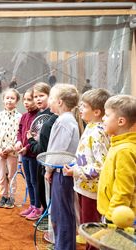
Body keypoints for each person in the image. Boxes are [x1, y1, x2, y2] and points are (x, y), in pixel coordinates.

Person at [63, 88, 111, 250]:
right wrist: (75, 167)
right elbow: (86, 157)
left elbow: (100, 166)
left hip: (92, 191)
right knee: (86, 227)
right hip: (84, 187)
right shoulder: (90, 126)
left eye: (84, 106)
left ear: (97, 111)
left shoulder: (98, 133)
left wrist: (75, 171)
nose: (80, 109)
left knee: (93, 231)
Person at [44, 83, 82, 250]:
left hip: (62, 174)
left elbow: (57, 152)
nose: (49, 101)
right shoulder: (65, 120)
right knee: (61, 214)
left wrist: (49, 169)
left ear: (59, 102)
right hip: (62, 173)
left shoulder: (65, 121)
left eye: (51, 98)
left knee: (62, 215)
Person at [97, 95, 136, 224]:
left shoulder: (125, 151)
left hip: (119, 218)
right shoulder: (118, 144)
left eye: (107, 115)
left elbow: (123, 191)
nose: (103, 118)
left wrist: (111, 218)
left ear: (121, 121)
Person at [25, 82, 53, 216]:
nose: (38, 99)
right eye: (35, 96)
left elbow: (45, 140)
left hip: (46, 157)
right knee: (40, 187)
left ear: (49, 96)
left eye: (41, 95)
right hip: (38, 157)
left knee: (44, 188)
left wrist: (32, 139)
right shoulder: (38, 115)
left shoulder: (51, 115)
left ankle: (46, 214)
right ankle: (42, 210)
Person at [0, 88, 22, 209]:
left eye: (12, 98)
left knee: (11, 175)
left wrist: (10, 148)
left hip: (12, 152)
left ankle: (11, 197)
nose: (9, 100)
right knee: (1, 175)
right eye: (7, 98)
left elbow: (19, 134)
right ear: (3, 100)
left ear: (17, 101)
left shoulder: (20, 117)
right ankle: (3, 195)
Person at [15, 88, 41, 220]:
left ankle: (38, 207)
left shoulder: (39, 117)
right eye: (24, 99)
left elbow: (38, 137)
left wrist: (27, 147)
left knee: (35, 182)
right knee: (29, 181)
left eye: (29, 99)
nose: (26, 102)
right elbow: (19, 130)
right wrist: (19, 141)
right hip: (24, 155)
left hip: (34, 155)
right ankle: (32, 205)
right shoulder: (24, 116)